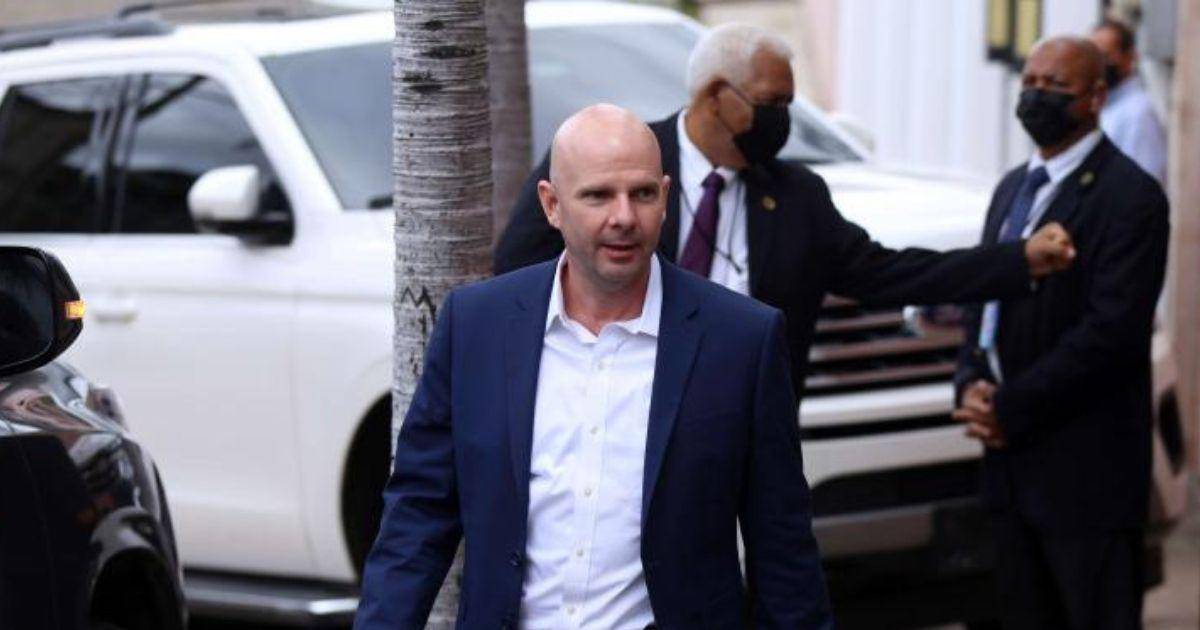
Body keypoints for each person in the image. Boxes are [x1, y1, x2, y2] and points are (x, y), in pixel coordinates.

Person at [354, 104, 833, 630]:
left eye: (642, 194)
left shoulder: (741, 340)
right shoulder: (477, 326)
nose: (624, 217)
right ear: (552, 205)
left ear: (666, 198)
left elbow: (783, 551)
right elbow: (418, 515)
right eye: (598, 195)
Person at [495, 24, 1078, 396]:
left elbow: (887, 274)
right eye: (772, 103)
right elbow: (518, 276)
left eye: (789, 105)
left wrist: (1017, 261)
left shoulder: (797, 197)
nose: (783, 121)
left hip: (741, 430)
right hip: (613, 409)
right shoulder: (620, 165)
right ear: (716, 96)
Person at [952, 36, 1169, 630]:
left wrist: (1011, 406)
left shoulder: (1131, 196)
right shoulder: (1011, 188)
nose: (1036, 95)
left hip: (1086, 475)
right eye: (1030, 82)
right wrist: (970, 378)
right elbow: (984, 297)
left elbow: (1113, 332)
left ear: (1095, 98)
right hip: (1009, 472)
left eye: (1055, 85)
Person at [1091, 18, 1168, 186]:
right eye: (1093, 56)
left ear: (1130, 56)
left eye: (1105, 55)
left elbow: (1145, 181)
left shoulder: (1138, 113)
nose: (1098, 64)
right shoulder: (1103, 106)